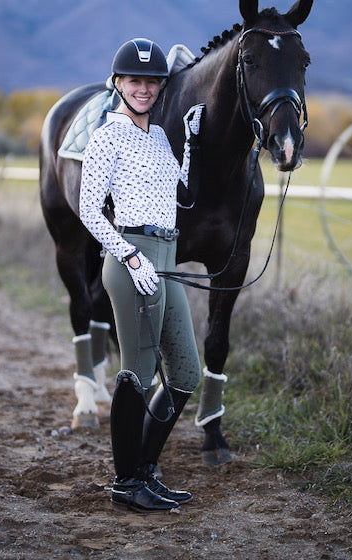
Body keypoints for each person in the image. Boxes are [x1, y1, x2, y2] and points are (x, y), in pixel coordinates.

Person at [79, 38, 203, 513]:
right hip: (132, 256)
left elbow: (183, 193)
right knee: (139, 372)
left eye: (153, 81)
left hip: (166, 255)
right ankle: (126, 481)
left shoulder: (158, 136)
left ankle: (146, 469)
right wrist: (130, 256)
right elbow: (90, 209)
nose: (145, 88)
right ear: (119, 84)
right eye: (136, 80)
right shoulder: (106, 137)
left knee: (186, 372)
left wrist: (190, 141)